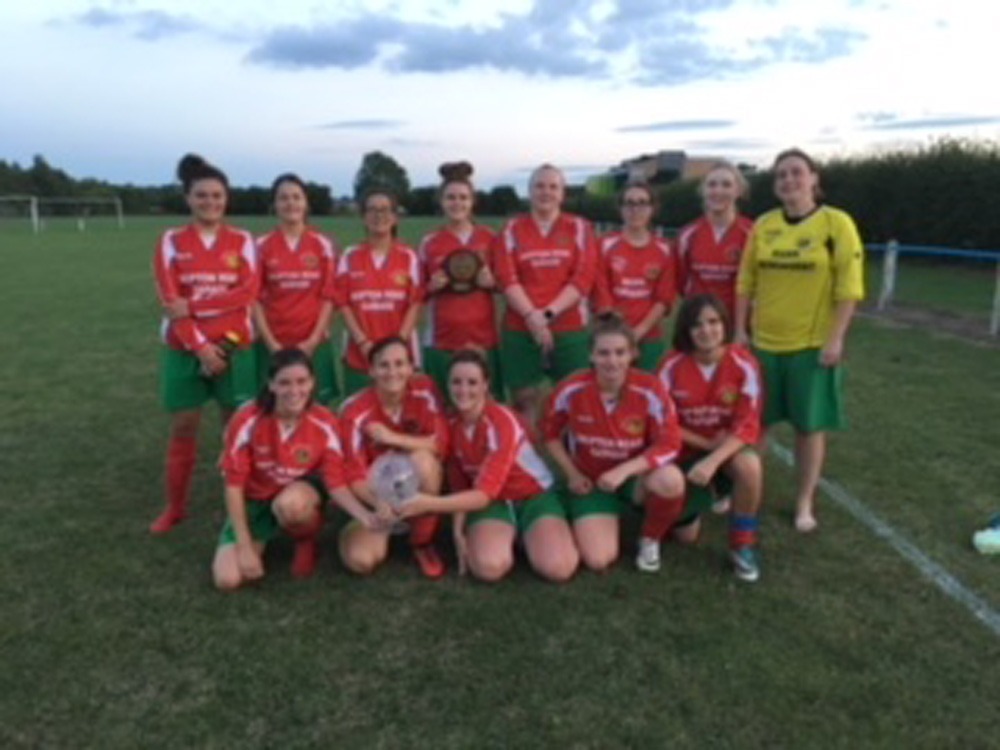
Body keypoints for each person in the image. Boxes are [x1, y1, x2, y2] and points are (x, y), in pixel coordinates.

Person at [734, 148, 865, 533]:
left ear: (813, 179)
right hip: (764, 345)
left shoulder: (835, 223)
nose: (788, 181)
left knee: (809, 428)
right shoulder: (764, 224)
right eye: (781, 176)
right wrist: (742, 330)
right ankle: (743, 490)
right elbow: (745, 282)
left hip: (811, 347)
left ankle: (804, 501)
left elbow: (849, 288)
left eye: (796, 173)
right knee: (755, 426)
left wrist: (835, 339)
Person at [396, 350, 579, 583]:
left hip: (533, 496)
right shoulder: (449, 425)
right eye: (456, 382)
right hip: (495, 503)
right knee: (488, 568)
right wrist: (458, 531)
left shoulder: (502, 421)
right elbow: (460, 484)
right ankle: (513, 536)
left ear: (486, 385)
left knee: (559, 568)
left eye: (472, 382)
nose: (463, 390)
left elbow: (482, 494)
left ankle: (532, 532)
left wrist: (427, 503)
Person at [150, 154, 259, 534]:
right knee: (184, 427)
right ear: (188, 198)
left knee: (235, 430)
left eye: (217, 195)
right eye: (202, 195)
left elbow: (248, 292)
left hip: (235, 349)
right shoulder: (170, 241)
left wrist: (195, 304)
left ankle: (241, 503)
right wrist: (200, 347)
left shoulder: (243, 240)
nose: (210, 202)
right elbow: (170, 301)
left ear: (226, 199)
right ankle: (175, 507)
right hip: (184, 349)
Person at [213, 349, 377, 590]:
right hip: (255, 498)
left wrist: (365, 516)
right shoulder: (247, 418)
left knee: (291, 505)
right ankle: (255, 534)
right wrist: (245, 547)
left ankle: (305, 540)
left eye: (302, 382)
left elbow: (335, 483)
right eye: (284, 383)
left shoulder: (325, 422)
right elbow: (234, 486)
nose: (294, 390)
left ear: (312, 383)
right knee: (228, 581)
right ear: (271, 385)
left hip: (296, 493)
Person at [541, 313, 686, 573]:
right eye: (603, 353)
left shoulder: (651, 389)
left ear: (633, 354)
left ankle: (649, 539)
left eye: (620, 352)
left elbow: (670, 444)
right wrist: (572, 474)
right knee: (598, 559)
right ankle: (582, 510)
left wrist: (625, 471)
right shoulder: (571, 389)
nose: (612, 361)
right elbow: (549, 434)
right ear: (591, 356)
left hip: (635, 478)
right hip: (592, 482)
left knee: (671, 481)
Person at [656, 295, 764, 582]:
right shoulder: (671, 365)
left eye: (713, 322)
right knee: (684, 537)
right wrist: (706, 448)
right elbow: (663, 425)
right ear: (686, 331)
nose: (707, 330)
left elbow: (748, 426)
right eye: (697, 325)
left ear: (724, 324)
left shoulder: (744, 363)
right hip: (684, 452)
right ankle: (707, 495)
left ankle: (743, 544)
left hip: (725, 450)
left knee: (750, 466)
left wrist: (714, 459)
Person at [338, 337, 450, 578]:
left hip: (416, 481)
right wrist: (378, 502)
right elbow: (353, 475)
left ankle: (422, 540)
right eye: (384, 365)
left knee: (424, 460)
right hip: (376, 491)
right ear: (371, 370)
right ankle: (363, 526)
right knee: (361, 561)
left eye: (400, 364)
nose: (392, 372)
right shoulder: (355, 411)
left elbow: (441, 444)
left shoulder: (425, 390)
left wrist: (393, 438)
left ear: (411, 367)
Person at [494, 164, 597, 420]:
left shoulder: (579, 228)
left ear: (563, 193)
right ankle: (527, 453)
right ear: (529, 191)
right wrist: (531, 316)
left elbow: (583, 279)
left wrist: (546, 315)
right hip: (520, 325)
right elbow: (507, 278)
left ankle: (571, 451)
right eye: (539, 186)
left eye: (553, 186)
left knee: (574, 396)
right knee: (524, 398)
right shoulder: (511, 229)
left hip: (569, 325)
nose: (546, 192)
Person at [418, 161, 504, 400]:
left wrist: (493, 283)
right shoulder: (430, 242)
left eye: (463, 198)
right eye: (451, 197)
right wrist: (431, 287)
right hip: (442, 339)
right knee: (443, 404)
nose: (457, 203)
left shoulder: (490, 238)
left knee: (485, 404)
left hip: (483, 338)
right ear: (441, 201)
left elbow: (507, 284)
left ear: (472, 201)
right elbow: (416, 293)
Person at [254, 173, 340, 403]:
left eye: (296, 197)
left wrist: (312, 341)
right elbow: (254, 299)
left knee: (316, 404)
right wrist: (272, 343)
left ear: (305, 202)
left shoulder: (323, 244)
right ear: (274, 205)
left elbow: (329, 296)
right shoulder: (260, 245)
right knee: (272, 403)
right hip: (273, 341)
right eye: (283, 198)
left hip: (313, 341)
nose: (290, 203)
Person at [332, 190, 423, 397]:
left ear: (394, 217)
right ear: (364, 217)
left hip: (399, 359)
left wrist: (397, 344)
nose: (378, 215)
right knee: (357, 416)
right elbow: (344, 304)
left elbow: (415, 304)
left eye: (384, 210)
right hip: (359, 355)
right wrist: (363, 342)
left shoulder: (409, 256)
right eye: (372, 210)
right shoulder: (350, 255)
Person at [592, 181, 676, 371]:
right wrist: (620, 334)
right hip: (610, 337)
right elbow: (600, 291)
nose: (635, 209)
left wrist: (637, 333)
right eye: (629, 203)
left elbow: (663, 299)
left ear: (652, 208)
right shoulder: (604, 245)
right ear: (621, 208)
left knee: (646, 392)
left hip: (649, 336)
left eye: (642, 203)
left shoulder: (665, 249)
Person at [675, 161, 753, 318]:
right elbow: (681, 282)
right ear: (703, 190)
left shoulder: (752, 233)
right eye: (711, 185)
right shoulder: (687, 234)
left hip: (738, 324)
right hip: (698, 323)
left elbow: (755, 284)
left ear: (738, 191)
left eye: (726, 185)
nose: (718, 191)